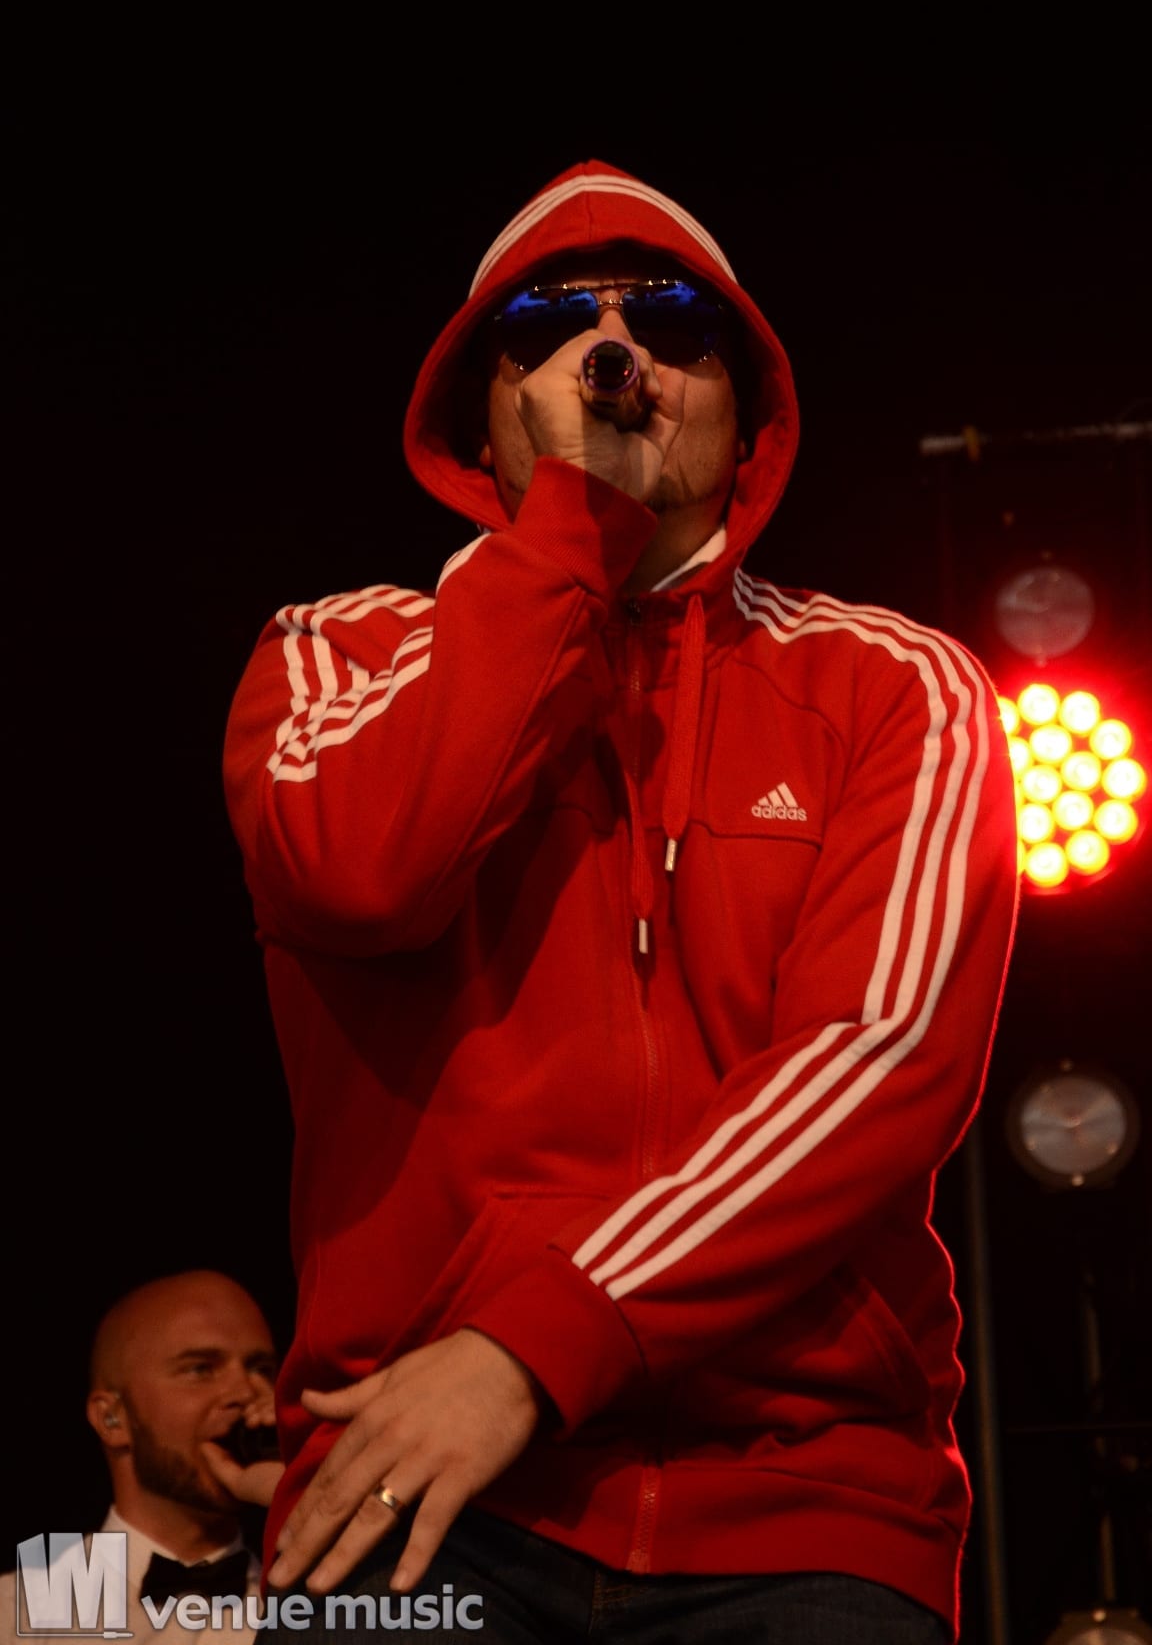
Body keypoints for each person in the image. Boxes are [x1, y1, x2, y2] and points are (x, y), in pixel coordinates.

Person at [222, 159, 1019, 1641]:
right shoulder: (335, 655)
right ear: (484, 416)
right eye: (549, 326)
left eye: (668, 321)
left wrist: (539, 1343)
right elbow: (369, 872)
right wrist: (563, 541)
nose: (614, 354)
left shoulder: (896, 686)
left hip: (800, 1502)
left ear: (747, 411)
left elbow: (873, 1066)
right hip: (410, 1484)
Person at [2, 1270, 282, 1645]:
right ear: (112, 1419)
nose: (247, 1392)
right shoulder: (13, 1617)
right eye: (201, 1369)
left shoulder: (324, 1607)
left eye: (261, 1369)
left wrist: (298, 1493)